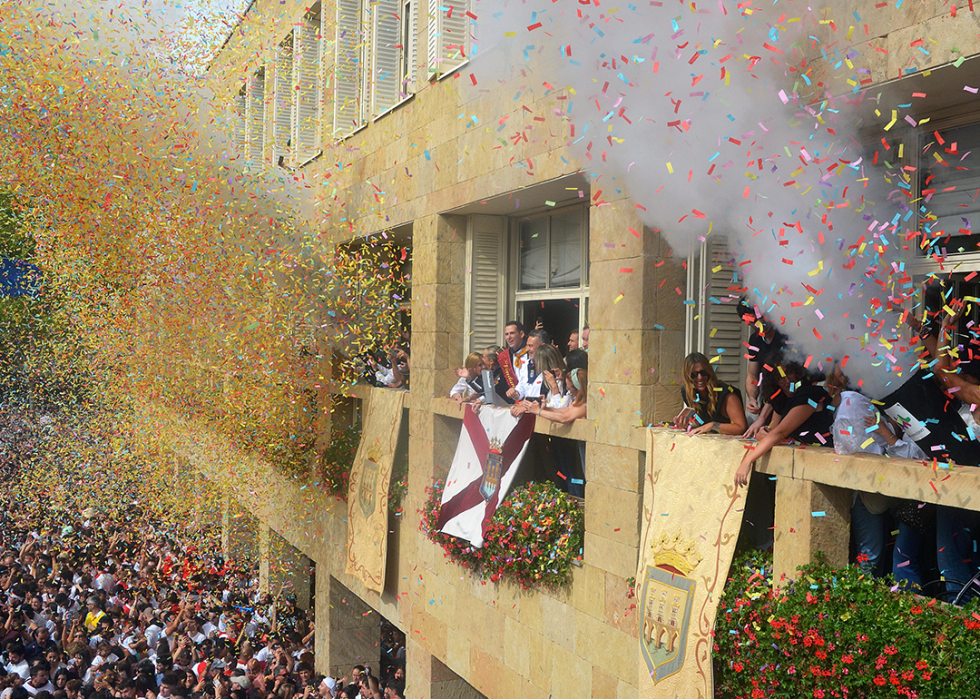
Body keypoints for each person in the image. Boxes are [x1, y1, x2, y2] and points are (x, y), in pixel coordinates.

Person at [734, 360, 834, 488]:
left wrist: (747, 461)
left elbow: (780, 432)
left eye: (790, 373)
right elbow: (772, 431)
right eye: (779, 377)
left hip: (822, 463)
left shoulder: (809, 394)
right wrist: (761, 434)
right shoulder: (781, 398)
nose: (787, 381)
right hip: (797, 465)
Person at [672, 353, 746, 436]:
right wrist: (686, 426)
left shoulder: (727, 395)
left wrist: (713, 425)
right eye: (694, 375)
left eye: (703, 372)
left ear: (709, 372)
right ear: (688, 377)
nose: (699, 377)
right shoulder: (687, 392)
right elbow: (700, 423)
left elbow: (741, 428)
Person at [497, 321, 528, 403]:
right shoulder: (504, 357)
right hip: (516, 401)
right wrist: (481, 398)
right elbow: (499, 383)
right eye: (506, 334)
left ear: (521, 334)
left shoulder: (531, 353)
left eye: (512, 333)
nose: (509, 337)